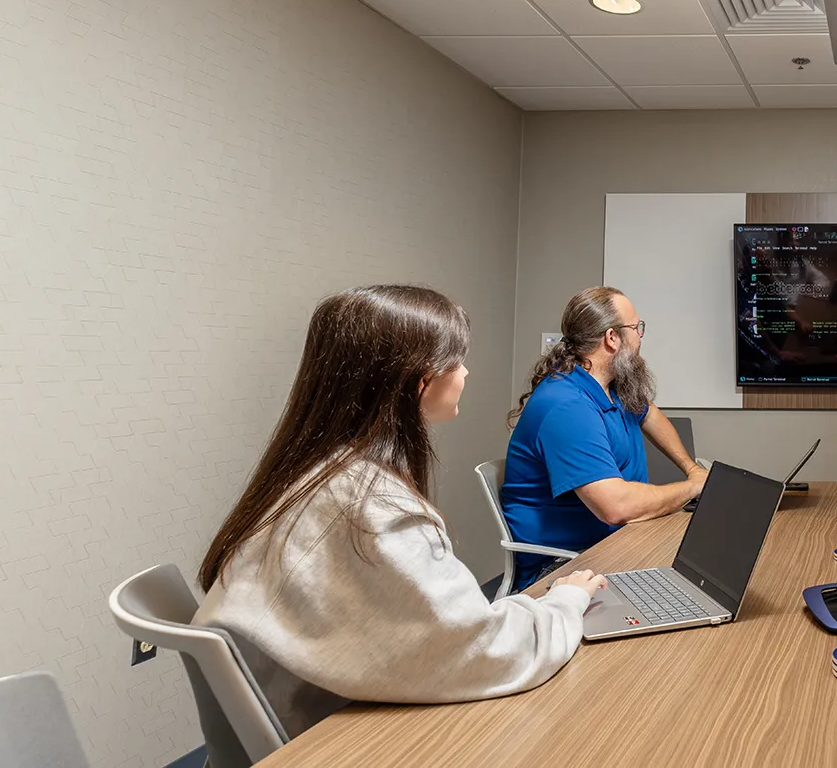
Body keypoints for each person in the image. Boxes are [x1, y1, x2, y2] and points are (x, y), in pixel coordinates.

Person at [193, 285, 605, 758]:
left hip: (302, 710)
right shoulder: (372, 511)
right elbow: (481, 650)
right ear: (422, 381)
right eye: (459, 361)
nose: (467, 372)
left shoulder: (314, 473)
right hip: (332, 739)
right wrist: (566, 601)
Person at [502, 286, 706, 592]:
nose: (640, 336)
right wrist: (692, 487)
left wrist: (692, 468)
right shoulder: (567, 405)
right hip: (567, 567)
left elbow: (650, 415)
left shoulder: (609, 386)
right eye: (636, 328)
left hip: (618, 539)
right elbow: (616, 507)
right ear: (612, 338)